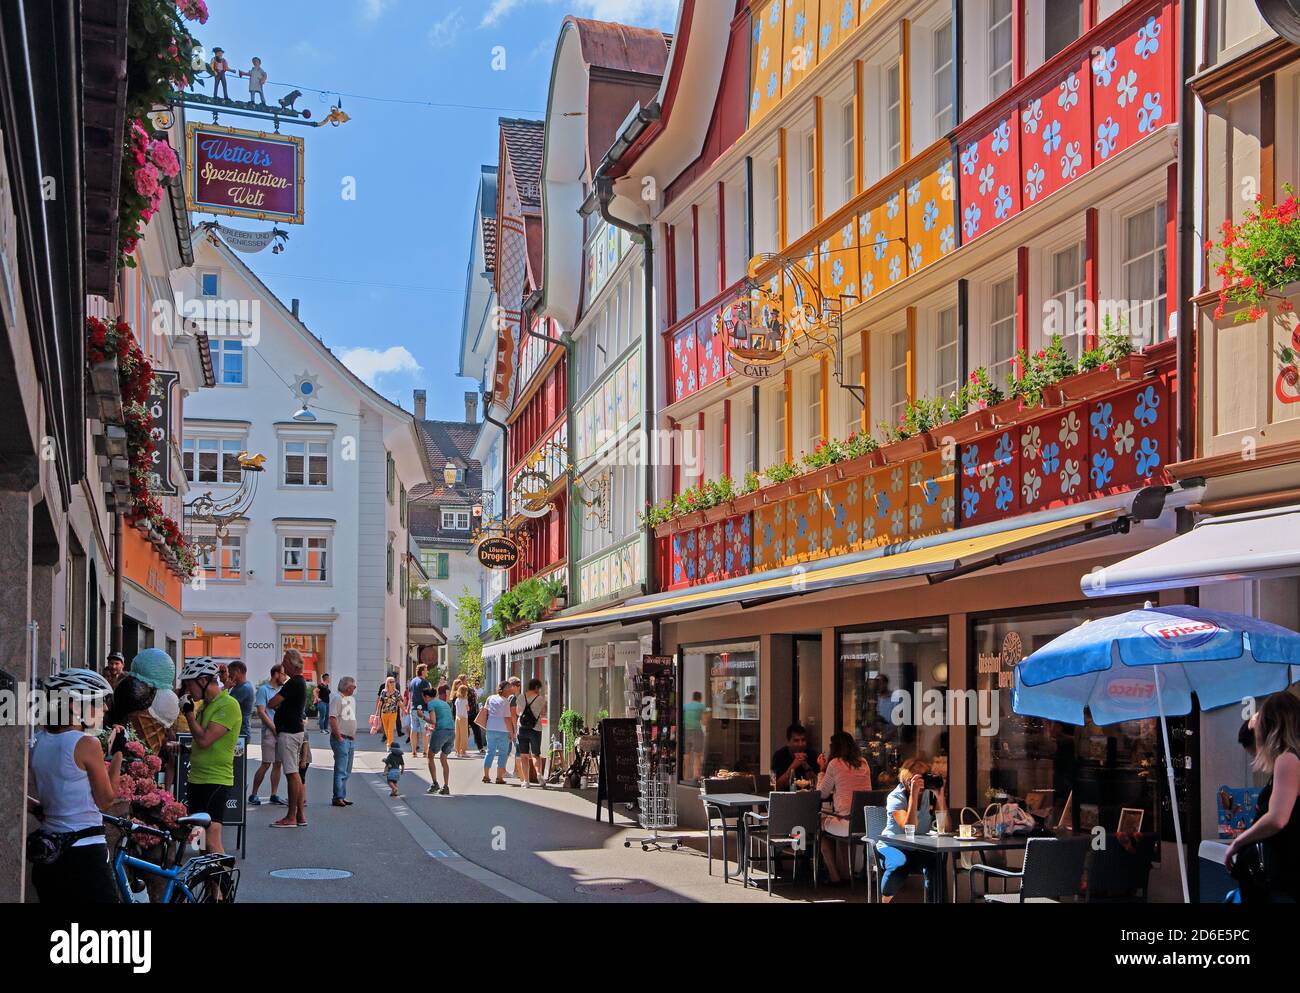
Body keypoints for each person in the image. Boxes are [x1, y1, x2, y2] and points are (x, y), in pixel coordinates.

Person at [27, 669, 124, 903]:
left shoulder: (38, 740)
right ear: (73, 704)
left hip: (49, 853)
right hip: (85, 852)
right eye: (98, 701)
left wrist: (42, 809)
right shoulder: (85, 743)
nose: (105, 708)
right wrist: (119, 752)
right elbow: (106, 799)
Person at [1226, 692, 1300, 902]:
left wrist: (1238, 842)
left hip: (1284, 872)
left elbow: (1277, 818)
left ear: (1271, 726)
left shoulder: (1288, 758)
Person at [178, 658, 241, 855]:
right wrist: (184, 748)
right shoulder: (205, 705)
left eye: (189, 684)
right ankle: (210, 886)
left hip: (215, 779)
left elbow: (205, 740)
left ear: (204, 680)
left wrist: (188, 714)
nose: (188, 690)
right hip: (196, 778)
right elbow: (200, 742)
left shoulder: (228, 704)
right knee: (199, 841)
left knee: (212, 840)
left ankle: (223, 886)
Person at [876, 756, 944, 902]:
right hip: (891, 845)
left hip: (917, 848)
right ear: (908, 779)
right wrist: (913, 794)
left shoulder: (928, 795)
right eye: (918, 778)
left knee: (936, 862)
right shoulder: (895, 797)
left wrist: (941, 797)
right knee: (900, 863)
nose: (922, 782)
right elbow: (909, 828)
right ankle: (885, 900)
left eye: (924, 777)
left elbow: (946, 828)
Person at [816, 731, 874, 884]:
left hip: (846, 823)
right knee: (840, 817)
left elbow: (821, 793)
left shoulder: (834, 764)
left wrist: (821, 771)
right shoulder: (864, 763)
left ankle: (834, 875)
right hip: (865, 822)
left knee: (819, 823)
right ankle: (846, 874)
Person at [267, 651, 308, 828]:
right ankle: (299, 815)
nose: (283, 665)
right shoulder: (300, 682)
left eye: (284, 661)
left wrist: (280, 706)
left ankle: (291, 816)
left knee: (292, 774)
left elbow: (272, 703)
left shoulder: (293, 683)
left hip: (289, 733)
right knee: (295, 774)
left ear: (292, 664)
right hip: (295, 731)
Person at [249, 663, 286, 806]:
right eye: (283, 674)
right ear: (276, 674)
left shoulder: (283, 690)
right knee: (266, 763)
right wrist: (273, 727)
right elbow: (261, 712)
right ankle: (253, 794)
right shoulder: (264, 690)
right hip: (270, 732)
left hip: (281, 731)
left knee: (278, 764)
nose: (284, 677)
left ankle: (274, 794)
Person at [329, 676, 358, 807]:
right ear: (347, 687)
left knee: (347, 770)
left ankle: (341, 795)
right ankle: (338, 797)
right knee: (341, 769)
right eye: (353, 686)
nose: (355, 688)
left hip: (349, 739)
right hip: (342, 738)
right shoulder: (337, 698)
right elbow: (332, 718)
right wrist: (339, 736)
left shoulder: (348, 700)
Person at [481, 681, 515, 785]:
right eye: (509, 688)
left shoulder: (490, 698)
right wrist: (511, 732)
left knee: (490, 752)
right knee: (503, 753)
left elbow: (485, 711)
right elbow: (507, 718)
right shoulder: (505, 701)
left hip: (490, 728)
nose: (510, 690)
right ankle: (499, 777)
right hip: (503, 730)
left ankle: (486, 776)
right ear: (504, 690)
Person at [515, 678, 547, 788]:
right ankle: (538, 774)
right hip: (535, 729)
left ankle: (526, 781)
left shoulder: (520, 697)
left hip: (522, 728)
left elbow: (518, 712)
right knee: (536, 755)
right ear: (537, 688)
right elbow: (543, 713)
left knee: (524, 756)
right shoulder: (540, 699)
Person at [424, 685, 455, 796]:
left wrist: (422, 716)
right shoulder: (444, 703)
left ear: (427, 697)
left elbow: (432, 720)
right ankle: (446, 786)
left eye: (424, 698)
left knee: (430, 756)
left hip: (441, 731)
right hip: (451, 731)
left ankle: (434, 783)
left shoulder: (431, 704)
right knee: (443, 758)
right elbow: (445, 718)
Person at [772, 723, 818, 791]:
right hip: (786, 798)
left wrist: (806, 766)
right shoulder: (778, 755)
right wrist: (793, 766)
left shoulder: (812, 754)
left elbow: (817, 784)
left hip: (808, 797)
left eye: (803, 740)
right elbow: (775, 786)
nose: (800, 744)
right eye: (796, 741)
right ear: (788, 742)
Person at [227, 661, 254, 739]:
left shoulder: (245, 688)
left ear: (237, 671)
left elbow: (226, 705)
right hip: (238, 731)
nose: (229, 675)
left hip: (241, 733)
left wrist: (225, 688)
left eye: (230, 672)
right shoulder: (238, 686)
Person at [407, 666, 429, 756]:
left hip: (413, 708)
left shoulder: (412, 681)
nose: (427, 671)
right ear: (422, 671)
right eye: (426, 669)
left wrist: (408, 706)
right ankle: (425, 752)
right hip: (423, 709)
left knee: (413, 729)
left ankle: (414, 752)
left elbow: (410, 695)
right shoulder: (424, 682)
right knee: (425, 730)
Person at [375, 676, 402, 750]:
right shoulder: (383, 692)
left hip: (393, 712)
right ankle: (389, 742)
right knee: (386, 730)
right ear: (387, 683)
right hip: (384, 712)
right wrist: (377, 712)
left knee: (390, 729)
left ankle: (389, 745)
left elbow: (399, 702)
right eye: (391, 682)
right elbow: (380, 703)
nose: (393, 683)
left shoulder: (396, 692)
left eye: (394, 681)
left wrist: (404, 709)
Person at [467, 681, 485, 753]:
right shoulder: (461, 690)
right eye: (475, 684)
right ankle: (462, 748)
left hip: (473, 713)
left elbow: (476, 701)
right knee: (465, 732)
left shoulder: (471, 690)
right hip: (465, 714)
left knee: (477, 730)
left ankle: (480, 747)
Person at [453, 683, 470, 757]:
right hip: (464, 718)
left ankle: (457, 750)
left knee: (457, 734)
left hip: (457, 718)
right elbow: (468, 709)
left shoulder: (457, 700)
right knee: (464, 735)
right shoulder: (465, 700)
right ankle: (463, 750)